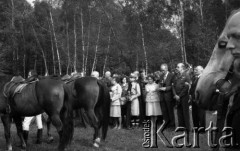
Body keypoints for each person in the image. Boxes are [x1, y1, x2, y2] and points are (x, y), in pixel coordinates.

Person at [22, 70, 43, 144]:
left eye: (29, 75)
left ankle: (24, 142)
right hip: (40, 106)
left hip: (32, 106)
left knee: (25, 123)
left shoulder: (30, 84)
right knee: (39, 122)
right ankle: (39, 140)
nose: (28, 76)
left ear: (32, 76)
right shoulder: (39, 83)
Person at [172, 63, 191, 132]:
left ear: (182, 68)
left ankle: (187, 128)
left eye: (178, 67)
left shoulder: (186, 75)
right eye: (176, 67)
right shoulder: (176, 75)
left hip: (184, 97)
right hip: (177, 97)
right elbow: (173, 86)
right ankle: (181, 127)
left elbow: (187, 87)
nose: (176, 68)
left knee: (185, 112)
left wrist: (179, 96)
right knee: (179, 112)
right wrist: (175, 95)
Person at [159, 63, 175, 128]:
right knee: (164, 110)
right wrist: (160, 87)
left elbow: (173, 86)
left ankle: (172, 124)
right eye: (161, 70)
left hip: (169, 96)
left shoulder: (172, 75)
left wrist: (166, 88)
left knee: (170, 111)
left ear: (167, 68)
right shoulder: (161, 76)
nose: (162, 71)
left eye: (163, 70)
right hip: (162, 96)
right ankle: (166, 123)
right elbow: (160, 83)